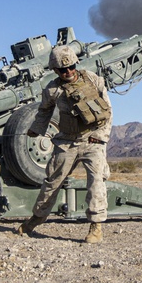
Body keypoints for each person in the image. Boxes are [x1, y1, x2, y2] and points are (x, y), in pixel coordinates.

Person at [15, 45, 112, 244]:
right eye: (62, 69)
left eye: (71, 67)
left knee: (96, 182)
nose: (68, 72)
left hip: (92, 139)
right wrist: (36, 129)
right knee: (52, 182)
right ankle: (36, 219)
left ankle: (96, 226)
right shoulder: (52, 89)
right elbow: (43, 112)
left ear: (76, 64)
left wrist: (101, 136)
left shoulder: (93, 80)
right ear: (55, 70)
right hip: (67, 141)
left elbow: (108, 111)